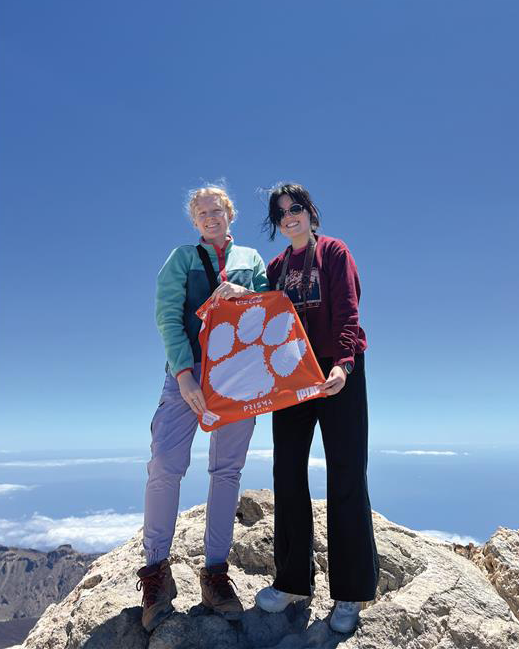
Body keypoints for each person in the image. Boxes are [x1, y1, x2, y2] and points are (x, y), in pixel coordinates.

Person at [136, 185, 269, 632]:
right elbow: (167, 316)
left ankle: (215, 573)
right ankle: (155, 572)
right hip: (186, 379)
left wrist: (244, 295)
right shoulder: (181, 258)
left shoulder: (251, 260)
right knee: (165, 467)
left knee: (226, 472)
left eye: (217, 210)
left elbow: (270, 311)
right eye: (202, 213)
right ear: (194, 221)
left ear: (229, 214)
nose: (210, 217)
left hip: (238, 381)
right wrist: (183, 373)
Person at [255, 183, 379, 634]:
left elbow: (348, 310)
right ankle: (291, 581)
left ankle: (350, 592)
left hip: (338, 370)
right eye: (281, 212)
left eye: (297, 208)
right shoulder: (275, 267)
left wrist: (344, 363)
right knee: (286, 473)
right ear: (277, 222)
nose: (290, 216)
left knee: (345, 473)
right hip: (292, 378)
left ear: (310, 212)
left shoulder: (334, 252)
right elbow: (260, 321)